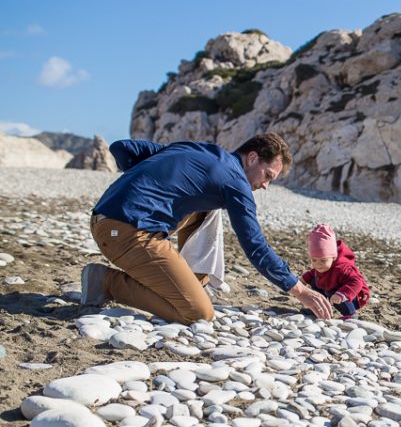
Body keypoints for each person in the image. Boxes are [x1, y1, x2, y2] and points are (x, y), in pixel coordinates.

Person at [80, 133, 332, 323]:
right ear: (252, 157)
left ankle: (188, 280)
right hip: (126, 232)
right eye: (267, 176)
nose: (265, 186)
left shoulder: (200, 151)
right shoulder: (236, 182)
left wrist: (145, 185)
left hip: (107, 220)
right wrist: (300, 291)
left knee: (208, 209)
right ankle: (105, 282)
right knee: (198, 313)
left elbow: (122, 147)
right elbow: (254, 245)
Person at [301, 223, 370, 319]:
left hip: (354, 295)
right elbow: (314, 272)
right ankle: (318, 308)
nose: (318, 264)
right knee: (315, 281)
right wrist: (303, 280)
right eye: (314, 260)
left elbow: (357, 282)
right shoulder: (324, 266)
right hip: (333, 288)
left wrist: (342, 294)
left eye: (323, 260)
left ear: (333, 257)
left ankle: (351, 314)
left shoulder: (342, 268)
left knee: (332, 291)